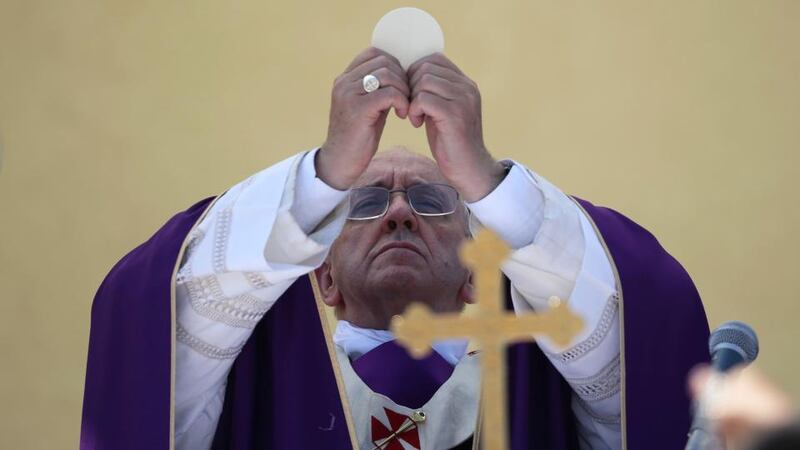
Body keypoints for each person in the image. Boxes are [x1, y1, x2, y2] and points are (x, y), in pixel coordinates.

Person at [80, 48, 710, 450]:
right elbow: (161, 325)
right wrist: (324, 173)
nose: (402, 212)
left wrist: (486, 183)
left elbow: (639, 351)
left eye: (434, 202)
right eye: (366, 202)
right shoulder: (243, 381)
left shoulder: (548, 379)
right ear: (321, 280)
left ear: (474, 281)